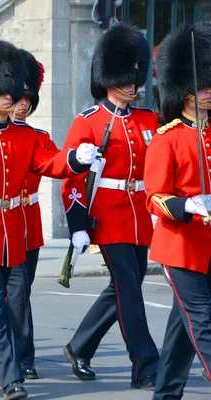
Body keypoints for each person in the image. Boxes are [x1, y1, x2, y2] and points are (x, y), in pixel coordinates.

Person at [0, 39, 96, 400]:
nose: (11, 97)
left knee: (0, 304)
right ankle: (11, 378)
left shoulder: (26, 136)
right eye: (2, 91)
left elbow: (51, 165)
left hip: (16, 234)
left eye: (12, 91)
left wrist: (77, 159)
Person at [60, 24, 160, 391]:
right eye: (126, 78)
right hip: (110, 215)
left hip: (139, 215)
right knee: (130, 290)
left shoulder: (148, 119)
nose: (133, 86)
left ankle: (79, 346)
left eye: (135, 77)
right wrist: (77, 224)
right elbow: (73, 179)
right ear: (108, 79)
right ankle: (146, 363)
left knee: (122, 287)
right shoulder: (88, 121)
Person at [147, 23, 211, 399]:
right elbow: (154, 196)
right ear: (185, 91)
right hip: (181, 245)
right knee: (202, 319)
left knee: (181, 328)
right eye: (203, 84)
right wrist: (186, 204)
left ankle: (165, 394)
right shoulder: (166, 138)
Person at [0, 49, 52, 380]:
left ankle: (2, 350)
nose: (22, 103)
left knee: (19, 294)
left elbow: (57, 162)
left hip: (28, 223)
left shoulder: (37, 137)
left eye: (28, 98)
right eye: (18, 97)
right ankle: (19, 356)